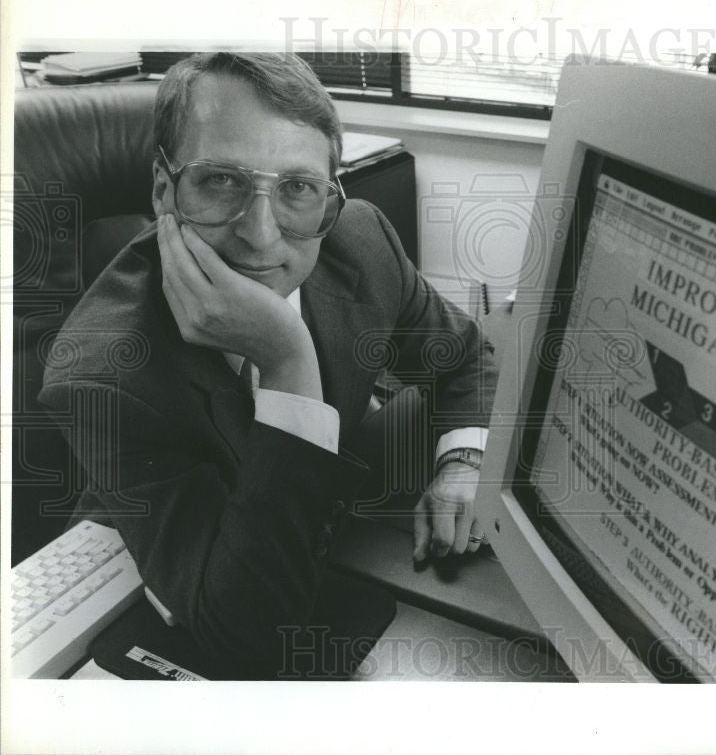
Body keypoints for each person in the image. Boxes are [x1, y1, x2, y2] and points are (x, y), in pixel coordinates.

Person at [38, 53, 499, 665]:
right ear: (163, 188)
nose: (261, 233)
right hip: (141, 586)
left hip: (342, 542)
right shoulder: (101, 375)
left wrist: (464, 462)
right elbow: (248, 632)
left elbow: (463, 356)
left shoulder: (359, 239)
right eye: (221, 180)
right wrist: (287, 361)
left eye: (297, 188)